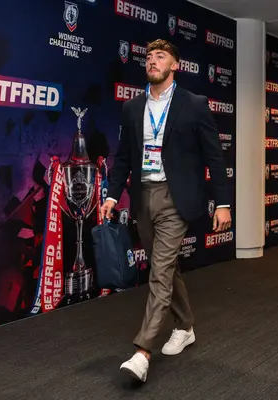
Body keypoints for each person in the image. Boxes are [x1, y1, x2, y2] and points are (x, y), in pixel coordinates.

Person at [100, 39, 232, 383]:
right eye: (148, 57)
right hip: (144, 196)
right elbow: (124, 159)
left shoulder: (195, 104)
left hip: (177, 198)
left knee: (159, 271)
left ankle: (142, 352)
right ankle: (185, 326)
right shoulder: (133, 107)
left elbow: (214, 158)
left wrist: (223, 202)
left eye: (160, 56)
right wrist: (113, 196)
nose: (152, 61)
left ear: (176, 65)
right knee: (167, 267)